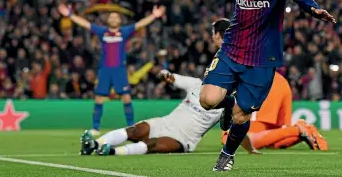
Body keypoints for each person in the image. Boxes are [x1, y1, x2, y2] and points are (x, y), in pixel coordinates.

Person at [145, 0, 336, 171]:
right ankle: (228, 103)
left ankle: (226, 154)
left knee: (241, 116)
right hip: (232, 49)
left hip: (262, 59)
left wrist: (312, 8)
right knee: (207, 99)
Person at [78, 18, 230, 156]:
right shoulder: (196, 84)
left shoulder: (225, 100)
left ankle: (112, 151)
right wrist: (162, 72)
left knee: (152, 144)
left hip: (183, 139)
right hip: (164, 123)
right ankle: (94, 144)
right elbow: (171, 77)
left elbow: (233, 120)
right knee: (135, 130)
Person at [57, 3, 166, 135]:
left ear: (120, 20)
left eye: (116, 17)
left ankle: (131, 127)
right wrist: (70, 15)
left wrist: (154, 16)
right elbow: (85, 24)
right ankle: (95, 128)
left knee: (126, 98)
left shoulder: (124, 32)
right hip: (105, 70)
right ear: (107, 20)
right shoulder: (102, 32)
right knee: (98, 98)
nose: (113, 19)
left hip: (119, 70)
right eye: (111, 17)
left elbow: (140, 24)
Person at [222, 72, 329, 152]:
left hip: (260, 80)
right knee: (272, 140)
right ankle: (301, 131)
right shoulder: (282, 81)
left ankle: (297, 130)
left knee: (238, 139)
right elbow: (283, 125)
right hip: (277, 80)